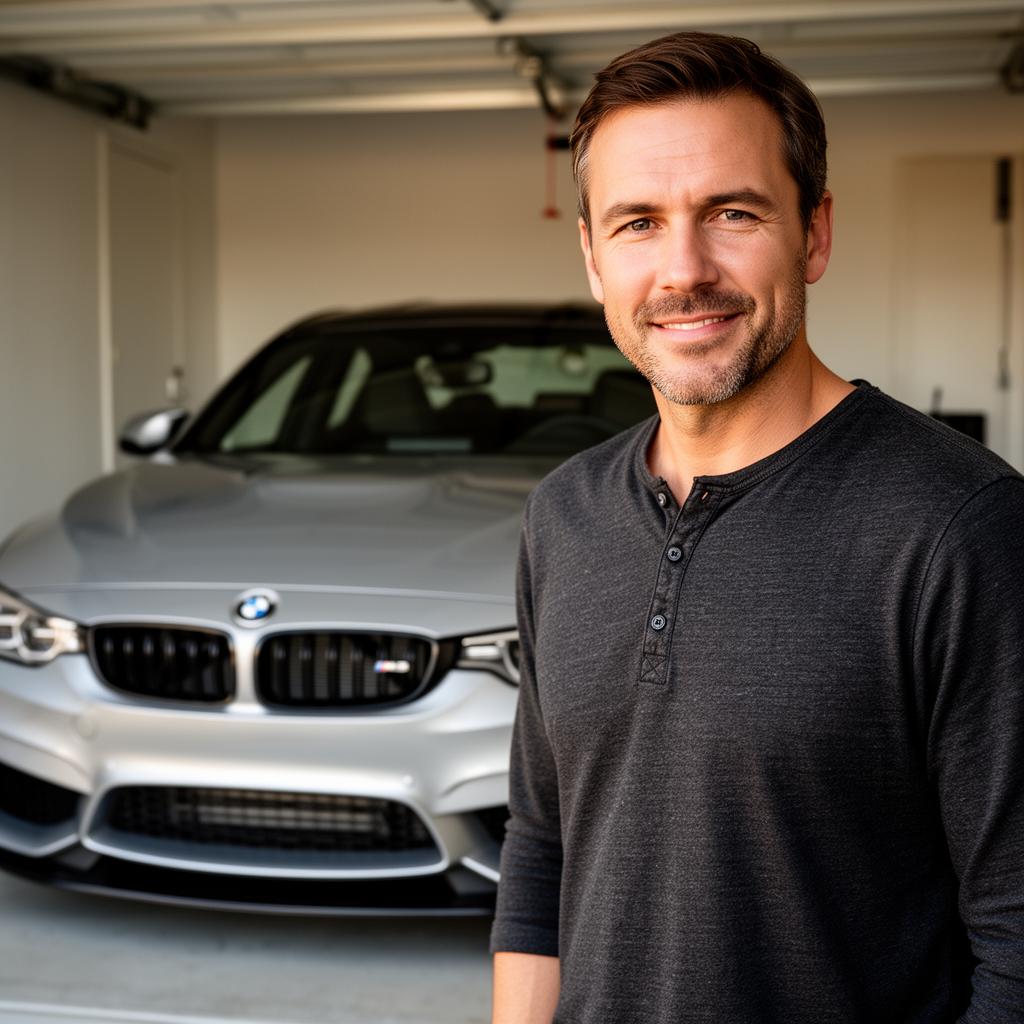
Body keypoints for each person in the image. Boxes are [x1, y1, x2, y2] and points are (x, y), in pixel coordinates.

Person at [489, 30, 1024, 1024]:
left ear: (814, 234)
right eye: (638, 222)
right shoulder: (561, 515)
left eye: (731, 213)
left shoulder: (957, 527)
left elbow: (1017, 932)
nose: (683, 270)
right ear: (593, 256)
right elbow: (541, 843)